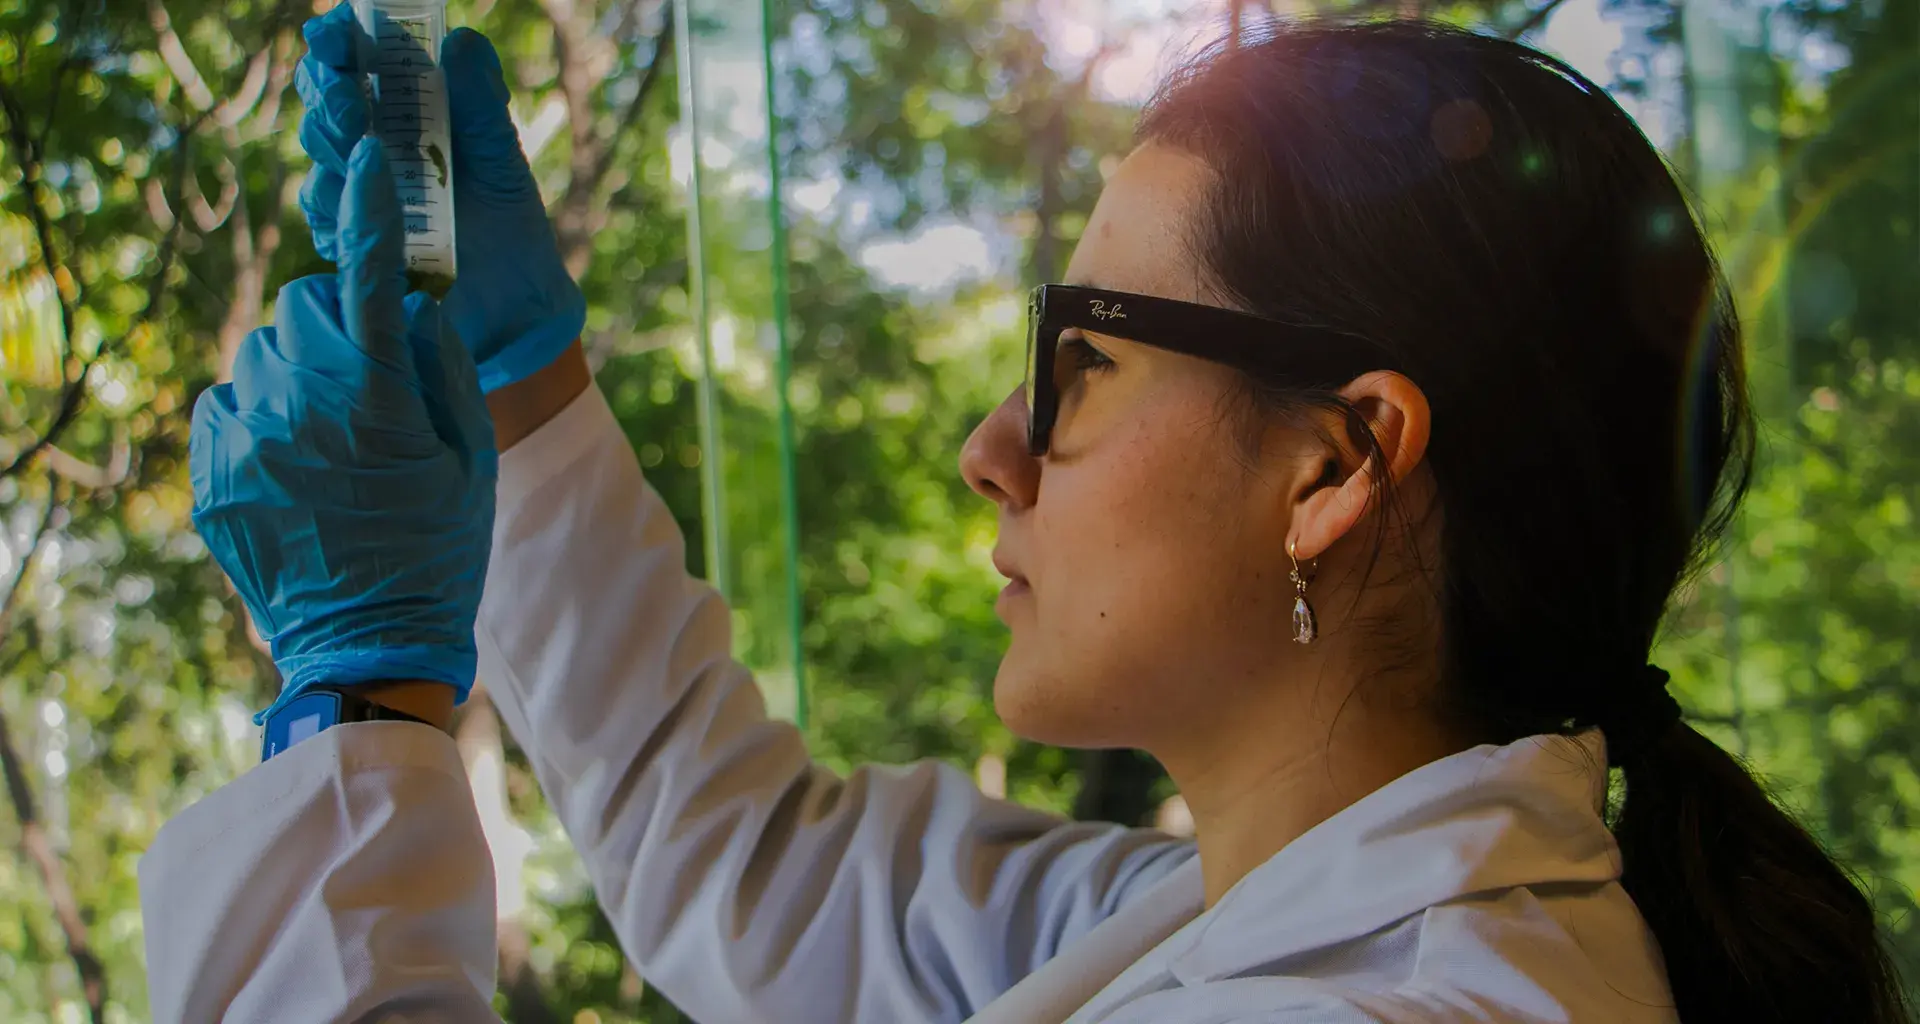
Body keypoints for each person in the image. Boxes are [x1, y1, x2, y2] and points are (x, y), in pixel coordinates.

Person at [139, 10, 1909, 1023]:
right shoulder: (1217, 915)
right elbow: (760, 876)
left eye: (1081, 360)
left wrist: (364, 702)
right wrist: (523, 386)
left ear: (1337, 466)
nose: (994, 445)